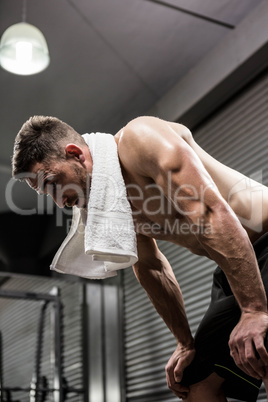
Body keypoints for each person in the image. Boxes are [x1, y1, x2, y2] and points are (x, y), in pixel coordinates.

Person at [12, 115, 268, 401]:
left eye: (53, 183)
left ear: (75, 154)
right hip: (236, 266)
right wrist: (184, 342)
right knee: (195, 383)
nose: (60, 201)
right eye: (47, 193)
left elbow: (209, 212)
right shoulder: (112, 202)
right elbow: (150, 265)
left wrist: (254, 310)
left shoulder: (140, 139)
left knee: (262, 348)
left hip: (264, 239)